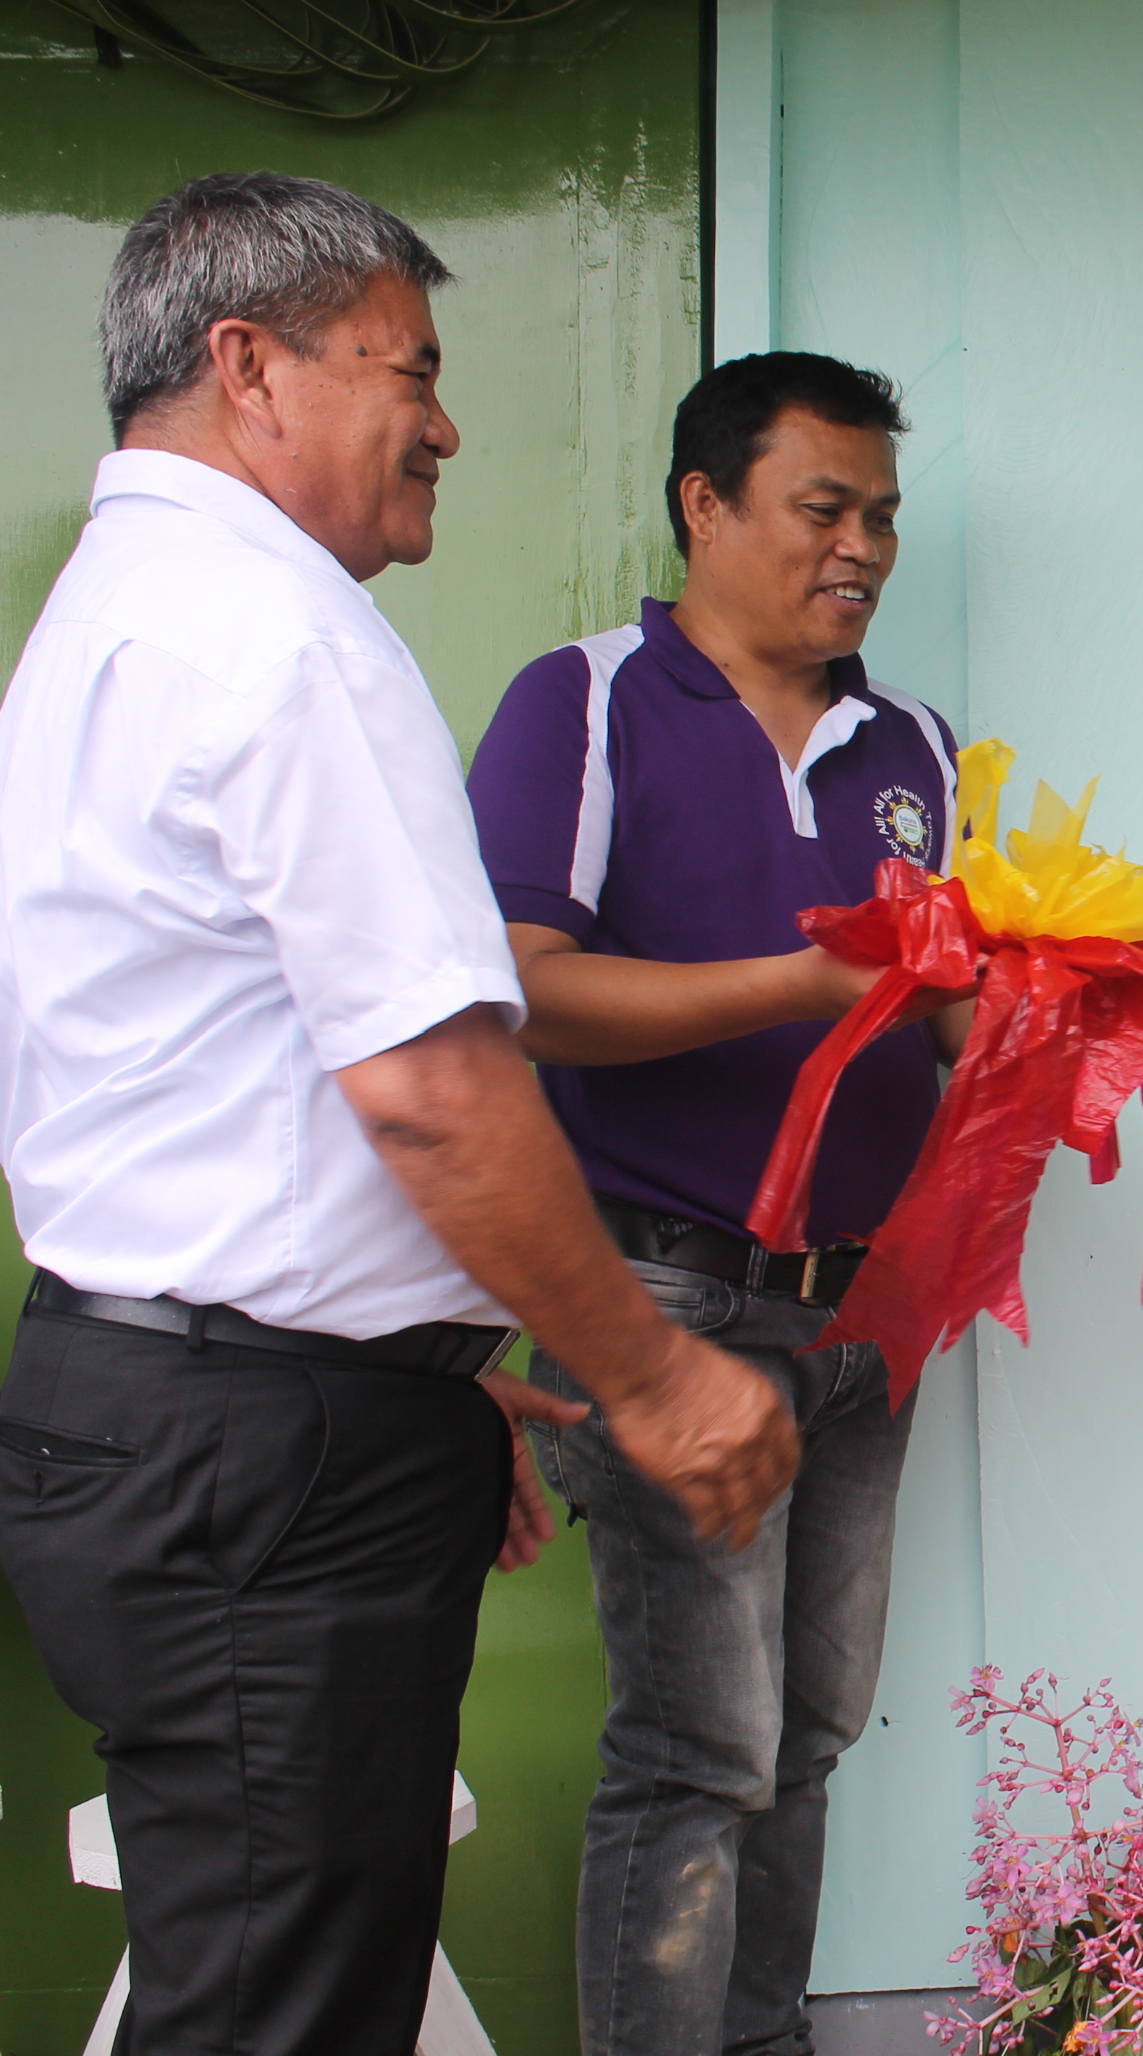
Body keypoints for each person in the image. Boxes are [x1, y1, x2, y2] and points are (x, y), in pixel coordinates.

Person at [0, 173, 798, 2056]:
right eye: (410, 370)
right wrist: (657, 1379)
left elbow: (207, 1069)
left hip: (204, 1413)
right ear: (249, 366)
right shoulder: (277, 636)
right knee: (279, 2012)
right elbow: (435, 1089)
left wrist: (418, 1375)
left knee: (266, 1984)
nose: (444, 424)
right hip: (259, 1461)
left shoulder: (117, 611)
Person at [465, 349, 967, 2056]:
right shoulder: (587, 702)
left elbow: (944, 1019)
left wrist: (1079, 1013)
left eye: (881, 517)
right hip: (665, 1297)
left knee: (808, 1735)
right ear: (705, 504)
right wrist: (800, 987)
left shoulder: (916, 746)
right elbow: (521, 992)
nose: (862, 549)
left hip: (864, 1313)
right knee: (702, 1752)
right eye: (823, 509)